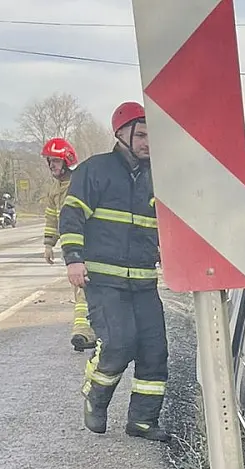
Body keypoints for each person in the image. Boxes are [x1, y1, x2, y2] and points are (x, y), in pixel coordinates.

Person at [58, 101, 168, 442]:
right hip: (104, 280)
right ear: (121, 133)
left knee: (154, 351)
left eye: (153, 136)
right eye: (142, 135)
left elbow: (166, 224)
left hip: (144, 281)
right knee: (119, 344)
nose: (148, 142)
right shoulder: (95, 170)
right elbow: (71, 216)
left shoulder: (158, 176)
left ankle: (143, 421)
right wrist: (73, 259)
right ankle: (96, 394)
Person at [41, 137, 97, 352]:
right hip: (72, 248)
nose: (51, 165)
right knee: (81, 289)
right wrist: (48, 244)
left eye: (55, 161)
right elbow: (52, 217)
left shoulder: (80, 183)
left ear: (68, 161)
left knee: (83, 288)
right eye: (49, 161)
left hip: (86, 244)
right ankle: (91, 330)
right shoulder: (54, 189)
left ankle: (84, 332)